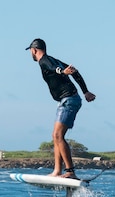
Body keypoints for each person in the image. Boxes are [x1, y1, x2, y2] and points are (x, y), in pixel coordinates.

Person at [25, 38, 96, 179]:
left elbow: (55, 69)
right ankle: (57, 171)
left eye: (30, 51)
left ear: (34, 50)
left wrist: (62, 72)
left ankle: (70, 171)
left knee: (58, 136)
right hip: (67, 100)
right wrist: (85, 91)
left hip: (69, 100)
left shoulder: (44, 61)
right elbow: (74, 71)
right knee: (56, 136)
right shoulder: (53, 60)